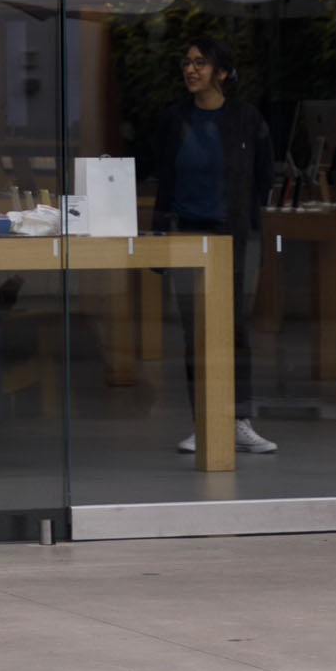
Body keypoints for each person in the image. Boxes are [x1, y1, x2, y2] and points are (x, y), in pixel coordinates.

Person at [139, 32, 279, 456]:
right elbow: (162, 174)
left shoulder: (246, 118)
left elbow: (263, 178)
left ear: (221, 72)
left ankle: (238, 420)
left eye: (200, 62)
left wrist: (246, 221)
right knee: (195, 331)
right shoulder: (173, 118)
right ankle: (204, 421)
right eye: (186, 62)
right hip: (184, 233)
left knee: (233, 329)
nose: (191, 69)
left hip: (231, 235)